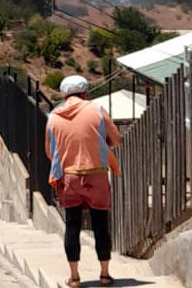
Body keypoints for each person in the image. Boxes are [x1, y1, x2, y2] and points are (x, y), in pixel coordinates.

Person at [45, 75, 122, 288]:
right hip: (96, 174)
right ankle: (105, 274)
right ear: (85, 93)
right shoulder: (97, 110)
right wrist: (100, 142)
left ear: (64, 95)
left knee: (72, 225)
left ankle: (74, 277)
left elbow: (49, 152)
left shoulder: (53, 117)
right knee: (100, 224)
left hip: (69, 176)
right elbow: (117, 139)